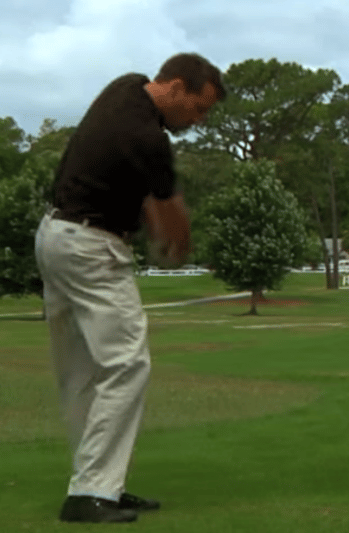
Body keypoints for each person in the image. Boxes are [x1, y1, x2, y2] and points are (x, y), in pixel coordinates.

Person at [34, 52, 225, 523]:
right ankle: (92, 492)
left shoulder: (125, 88)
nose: (198, 120)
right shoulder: (148, 138)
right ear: (176, 87)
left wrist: (155, 223)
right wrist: (177, 244)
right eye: (198, 107)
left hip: (57, 235)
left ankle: (98, 484)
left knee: (83, 372)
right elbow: (171, 211)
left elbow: (144, 188)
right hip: (92, 246)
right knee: (126, 364)